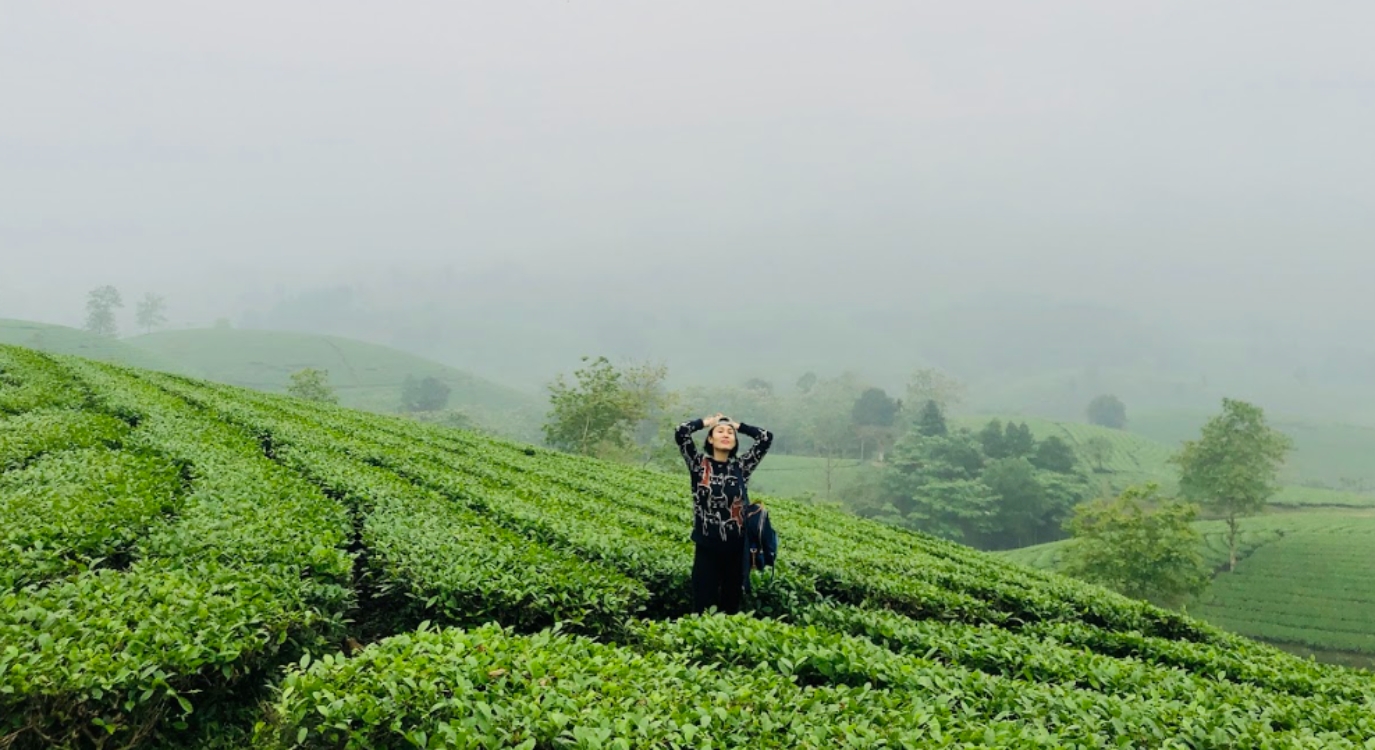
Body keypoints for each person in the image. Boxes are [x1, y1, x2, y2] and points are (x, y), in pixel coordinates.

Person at [674, 412, 773, 614]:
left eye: (730, 433)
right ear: (710, 439)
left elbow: (765, 437)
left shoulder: (741, 467)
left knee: (730, 607)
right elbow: (681, 432)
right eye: (719, 431)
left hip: (736, 549)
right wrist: (706, 422)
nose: (726, 434)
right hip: (706, 547)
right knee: (702, 605)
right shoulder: (698, 464)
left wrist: (737, 425)